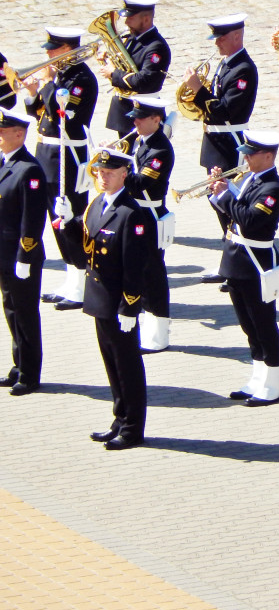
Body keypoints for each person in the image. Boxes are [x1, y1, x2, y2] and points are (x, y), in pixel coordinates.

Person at [62, 149, 153, 450]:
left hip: (118, 302)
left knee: (127, 365)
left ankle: (132, 428)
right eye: (99, 173)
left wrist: (130, 306)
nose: (102, 177)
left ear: (124, 174)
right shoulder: (98, 203)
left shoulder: (131, 214)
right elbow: (88, 244)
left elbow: (135, 264)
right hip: (100, 298)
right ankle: (119, 418)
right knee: (112, 363)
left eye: (109, 173)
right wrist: (67, 224)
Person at [208, 130, 279, 407]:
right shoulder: (249, 179)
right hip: (236, 259)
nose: (246, 158)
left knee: (264, 324)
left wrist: (226, 196)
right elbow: (230, 215)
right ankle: (258, 376)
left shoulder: (273, 189)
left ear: (268, 156)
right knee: (247, 324)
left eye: (251, 154)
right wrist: (217, 190)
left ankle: (273, 383)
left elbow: (249, 220)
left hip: (257, 261)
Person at [24, 27, 98, 310]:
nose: (47, 54)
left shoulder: (80, 79)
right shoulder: (61, 75)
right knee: (54, 220)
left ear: (68, 49)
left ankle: (81, 281)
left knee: (69, 218)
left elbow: (65, 117)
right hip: (46, 152)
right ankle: (71, 278)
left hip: (66, 154)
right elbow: (40, 114)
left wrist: (48, 84)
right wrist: (33, 94)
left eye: (53, 49)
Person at [183, 14, 258, 284]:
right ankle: (229, 263)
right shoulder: (226, 64)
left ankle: (238, 265)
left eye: (222, 38)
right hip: (214, 142)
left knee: (230, 205)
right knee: (218, 204)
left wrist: (198, 90)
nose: (217, 43)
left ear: (237, 36)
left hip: (229, 143)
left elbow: (227, 109)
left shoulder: (244, 70)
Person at [0, 109, 48, 395]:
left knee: (26, 314)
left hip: (20, 257)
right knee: (11, 311)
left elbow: (32, 220)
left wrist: (24, 256)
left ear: (19, 134)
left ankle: (30, 374)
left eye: (3, 131)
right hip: (3, 254)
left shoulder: (29, 169)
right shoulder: (5, 163)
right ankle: (18, 365)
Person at [122, 96, 175, 352]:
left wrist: (116, 167)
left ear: (156, 120)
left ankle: (160, 333)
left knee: (153, 274)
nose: (135, 123)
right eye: (134, 118)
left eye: (140, 119)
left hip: (150, 216)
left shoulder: (160, 150)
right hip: (136, 214)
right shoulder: (140, 141)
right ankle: (146, 325)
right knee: (138, 272)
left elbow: (140, 183)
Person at [98, 0, 170, 136]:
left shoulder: (156, 47)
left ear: (146, 19)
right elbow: (125, 66)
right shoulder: (131, 38)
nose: (126, 23)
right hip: (125, 112)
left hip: (144, 113)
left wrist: (113, 73)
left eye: (131, 18)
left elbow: (144, 81)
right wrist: (108, 60)